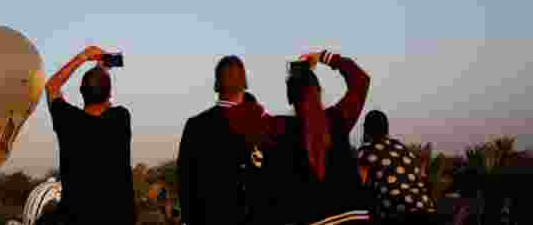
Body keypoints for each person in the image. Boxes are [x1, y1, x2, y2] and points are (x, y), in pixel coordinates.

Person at [224, 50, 371, 225]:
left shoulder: (276, 128)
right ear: (319, 90)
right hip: (355, 218)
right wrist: (325, 57)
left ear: (289, 97)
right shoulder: (338, 119)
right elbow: (361, 80)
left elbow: (236, 112)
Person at [45, 45, 135, 225]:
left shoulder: (68, 121)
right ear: (109, 94)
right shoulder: (120, 118)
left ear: (81, 91)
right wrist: (101, 70)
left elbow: (52, 86)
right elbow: (105, 101)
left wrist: (83, 57)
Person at [177, 56, 269, 225]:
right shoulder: (263, 123)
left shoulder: (196, 126)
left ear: (216, 85)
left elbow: (185, 184)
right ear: (245, 84)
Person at [358, 110, 436, 222]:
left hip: (398, 215)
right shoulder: (401, 147)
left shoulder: (366, 152)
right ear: (386, 129)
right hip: (426, 209)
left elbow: (361, 187)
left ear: (366, 130)